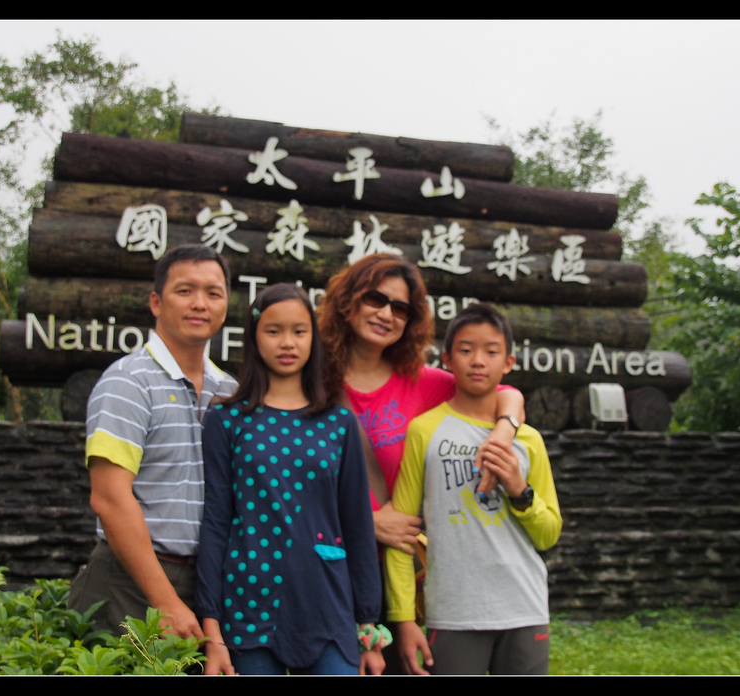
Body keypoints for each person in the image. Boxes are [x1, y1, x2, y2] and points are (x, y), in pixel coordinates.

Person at [196, 284, 385, 675]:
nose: (287, 342)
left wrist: (368, 625)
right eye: (273, 330)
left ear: (313, 339)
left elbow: (357, 526)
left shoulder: (338, 424)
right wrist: (210, 627)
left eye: (299, 331)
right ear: (253, 338)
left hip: (326, 604)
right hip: (246, 607)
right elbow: (215, 523)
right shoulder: (225, 421)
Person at [68, 244, 237, 640]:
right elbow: (109, 498)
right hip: (129, 584)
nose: (200, 303)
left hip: (206, 583)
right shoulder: (127, 382)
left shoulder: (230, 392)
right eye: (185, 291)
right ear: (156, 302)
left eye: (213, 293)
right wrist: (165, 602)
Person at [384, 304, 562, 675]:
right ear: (447, 359)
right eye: (465, 350)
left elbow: (548, 534)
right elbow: (402, 533)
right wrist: (402, 619)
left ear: (509, 362)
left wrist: (519, 489)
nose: (478, 361)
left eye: (491, 351)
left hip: (524, 607)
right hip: (453, 612)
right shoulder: (425, 431)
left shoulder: (527, 440)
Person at [316, 254, 526, 557]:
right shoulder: (310, 382)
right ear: (348, 301)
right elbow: (286, 483)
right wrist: (366, 522)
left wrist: (503, 434)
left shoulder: (420, 382)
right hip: (327, 563)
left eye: (400, 308)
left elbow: (503, 393)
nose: (387, 314)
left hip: (394, 568)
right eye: (375, 299)